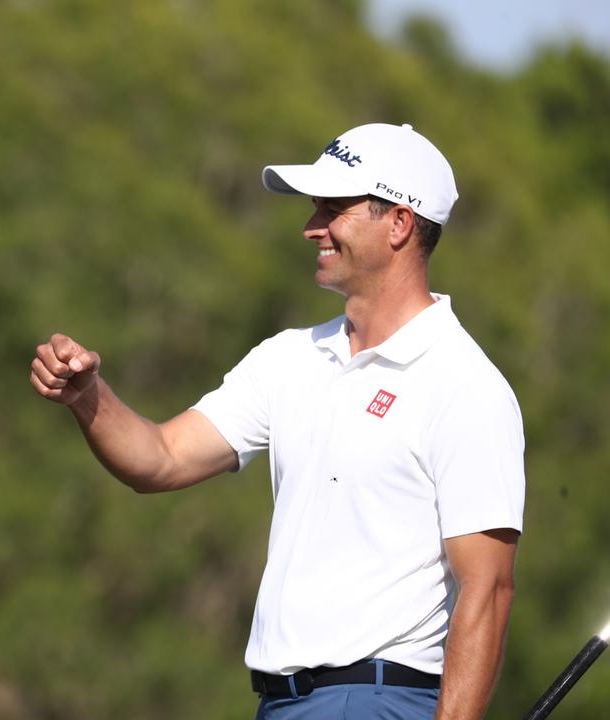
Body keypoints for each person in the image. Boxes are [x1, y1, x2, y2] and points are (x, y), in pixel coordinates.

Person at [30, 123, 524, 719]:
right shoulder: (290, 357)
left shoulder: (464, 385)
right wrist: (88, 396)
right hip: (282, 703)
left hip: (377, 699)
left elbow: (487, 590)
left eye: (332, 208)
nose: (311, 226)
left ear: (398, 223)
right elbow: (159, 459)